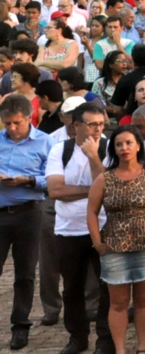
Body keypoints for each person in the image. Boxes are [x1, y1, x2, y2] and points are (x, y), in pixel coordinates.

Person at [88, 126, 145, 354]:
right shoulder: (105, 178)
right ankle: (120, 349)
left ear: (138, 145)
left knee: (144, 300)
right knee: (118, 303)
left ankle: (143, 347)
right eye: (119, 144)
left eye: (128, 143)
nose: (124, 148)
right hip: (114, 245)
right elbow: (92, 210)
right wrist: (97, 241)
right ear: (113, 149)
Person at [48, 101, 116, 354]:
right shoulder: (60, 150)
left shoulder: (109, 148)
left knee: (107, 287)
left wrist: (94, 157)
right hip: (68, 229)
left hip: (102, 228)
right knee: (72, 288)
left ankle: (105, 339)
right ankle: (77, 337)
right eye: (92, 124)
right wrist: (92, 192)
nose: (98, 130)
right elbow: (56, 190)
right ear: (75, 126)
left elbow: (108, 190)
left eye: (101, 124)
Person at [0, 92, 54, 351]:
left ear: (29, 118)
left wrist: (29, 180)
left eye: (16, 123)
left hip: (29, 212)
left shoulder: (45, 142)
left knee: (24, 273)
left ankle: (20, 326)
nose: (12, 128)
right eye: (7, 123)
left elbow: (53, 179)